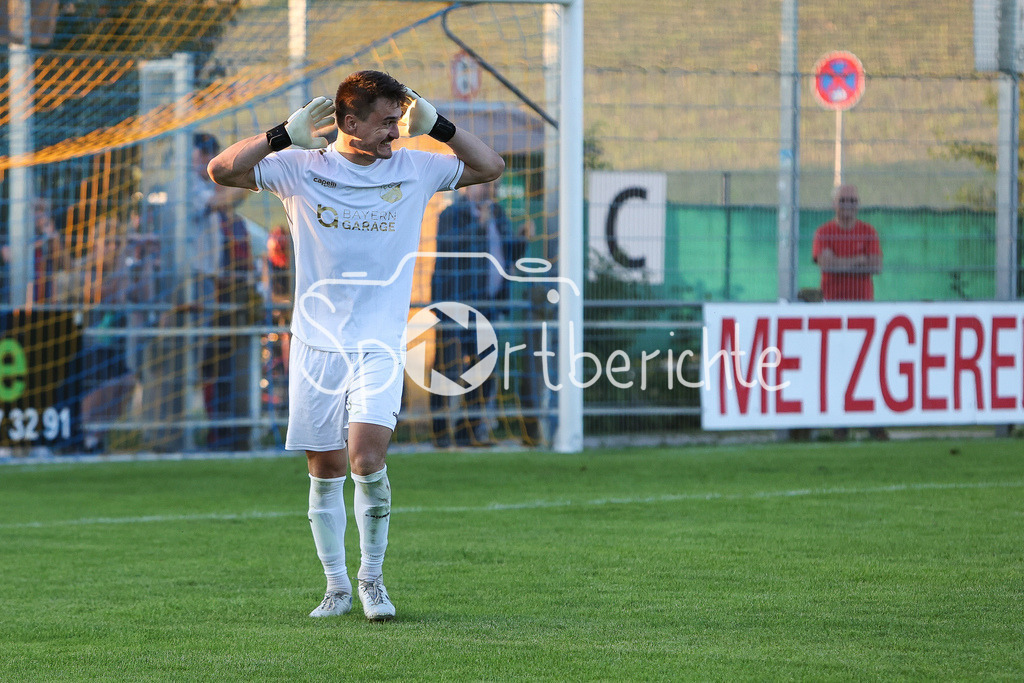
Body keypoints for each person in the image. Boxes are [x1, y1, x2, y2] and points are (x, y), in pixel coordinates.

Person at [207, 70, 504, 621]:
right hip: (315, 347)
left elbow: (491, 166)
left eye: (399, 120)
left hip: (379, 344)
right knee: (325, 468)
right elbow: (221, 170)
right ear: (348, 122)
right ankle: (336, 586)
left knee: (368, 456)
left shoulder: (417, 167)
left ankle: (372, 580)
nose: (397, 132)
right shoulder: (300, 167)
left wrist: (439, 126)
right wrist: (279, 136)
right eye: (387, 122)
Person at [430, 180, 528, 447]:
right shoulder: (451, 214)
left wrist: (521, 239)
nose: (491, 190)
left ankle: (468, 433)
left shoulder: (497, 213)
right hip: (455, 305)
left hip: (487, 305)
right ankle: (441, 436)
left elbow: (507, 253)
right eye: (486, 184)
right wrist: (479, 225)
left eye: (495, 185)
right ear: (468, 187)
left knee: (483, 368)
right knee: (445, 368)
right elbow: (449, 246)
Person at [812, 184, 887, 441]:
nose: (848, 206)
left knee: (867, 367)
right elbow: (826, 264)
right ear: (834, 204)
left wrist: (842, 263)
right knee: (837, 367)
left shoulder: (868, 231)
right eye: (843, 201)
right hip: (833, 308)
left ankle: (872, 423)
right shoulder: (824, 232)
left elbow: (876, 266)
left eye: (853, 201)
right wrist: (858, 261)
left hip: (863, 308)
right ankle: (840, 425)